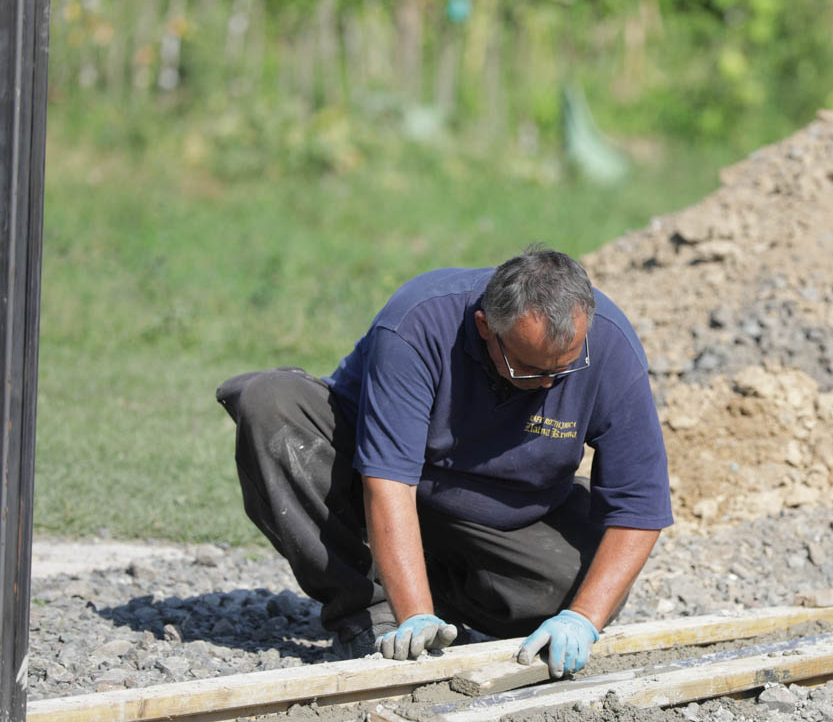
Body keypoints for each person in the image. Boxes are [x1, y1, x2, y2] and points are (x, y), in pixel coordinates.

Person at [215, 246, 672, 678]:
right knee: (269, 404)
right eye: (530, 370)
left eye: (564, 370)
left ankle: (445, 602)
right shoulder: (419, 322)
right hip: (372, 482)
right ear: (484, 327)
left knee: (583, 581)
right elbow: (388, 482)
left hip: (504, 517)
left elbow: (639, 505)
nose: (550, 385)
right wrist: (412, 617)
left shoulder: (610, 347)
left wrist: (582, 618)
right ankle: (369, 612)